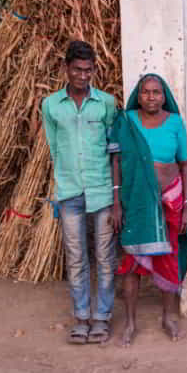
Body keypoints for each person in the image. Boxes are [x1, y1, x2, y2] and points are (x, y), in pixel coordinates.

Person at [108, 73, 187, 346]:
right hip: (136, 201)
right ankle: (131, 322)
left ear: (163, 95)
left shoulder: (175, 122)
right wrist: (117, 202)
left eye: (156, 92)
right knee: (131, 263)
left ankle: (168, 316)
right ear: (139, 94)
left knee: (168, 257)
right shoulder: (127, 121)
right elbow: (117, 162)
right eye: (146, 92)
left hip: (170, 199)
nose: (151, 97)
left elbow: (185, 165)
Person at [42, 40, 118, 344]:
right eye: (77, 70)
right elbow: (54, 146)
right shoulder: (50, 105)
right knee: (75, 258)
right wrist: (63, 182)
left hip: (102, 192)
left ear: (94, 70)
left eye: (88, 70)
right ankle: (82, 318)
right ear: (66, 69)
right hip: (70, 192)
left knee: (105, 257)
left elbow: (114, 150)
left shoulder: (106, 103)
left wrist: (116, 195)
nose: (83, 76)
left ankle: (102, 318)